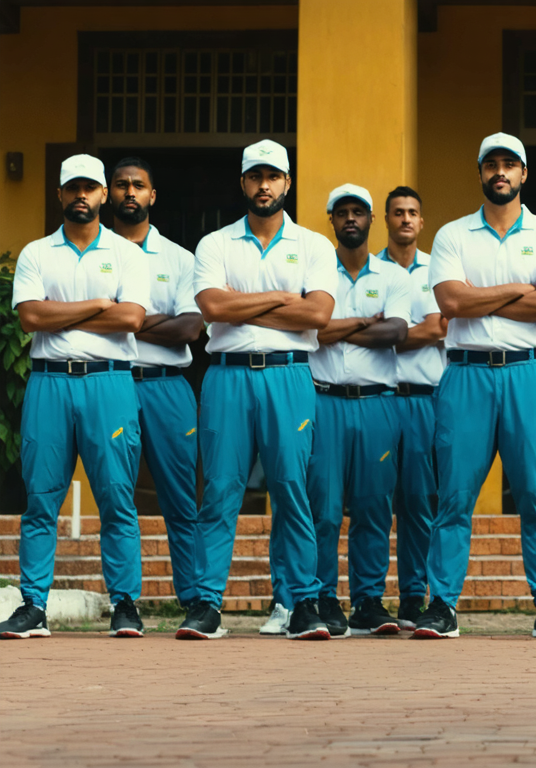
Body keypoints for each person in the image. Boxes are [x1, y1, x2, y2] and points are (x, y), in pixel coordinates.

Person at [418, 133, 536, 640]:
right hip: (466, 373)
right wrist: (517, 289)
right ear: (481, 172)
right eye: (492, 164)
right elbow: (450, 303)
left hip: (530, 372)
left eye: (510, 164)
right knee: (454, 497)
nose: (501, 172)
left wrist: (480, 297)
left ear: (524, 174)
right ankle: (441, 605)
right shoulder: (452, 235)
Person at [187, 139, 337, 641]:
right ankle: (207, 605)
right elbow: (212, 307)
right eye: (256, 176)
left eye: (274, 176)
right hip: (227, 374)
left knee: (293, 492)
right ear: (244, 183)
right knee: (221, 491)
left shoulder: (314, 245)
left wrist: (243, 302)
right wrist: (279, 298)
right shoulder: (216, 244)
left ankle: (301, 604)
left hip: (290, 375)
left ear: (287, 183)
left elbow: (317, 313)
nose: (265, 185)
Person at [0, 155, 150, 640]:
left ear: (104, 194)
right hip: (49, 382)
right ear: (60, 194)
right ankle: (33, 606)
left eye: (90, 187)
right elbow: (30, 319)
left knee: (116, 497)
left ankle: (124, 604)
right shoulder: (37, 252)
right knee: (41, 499)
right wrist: (96, 305)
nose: (81, 195)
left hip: (109, 381)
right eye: (72, 188)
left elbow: (130, 319)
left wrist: (60, 313)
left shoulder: (127, 254)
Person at [307, 184, 412, 637]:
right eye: (342, 212)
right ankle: (324, 597)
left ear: (372, 220)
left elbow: (396, 333)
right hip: (323, 400)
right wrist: (363, 323)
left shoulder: (394, 278)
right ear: (330, 219)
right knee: (324, 509)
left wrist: (336, 329)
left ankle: (369, 601)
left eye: (359, 212)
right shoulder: (315, 273)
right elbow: (311, 330)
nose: (351, 219)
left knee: (373, 507)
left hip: (377, 404)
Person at [107, 157, 205, 616]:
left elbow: (189, 329)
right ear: (109, 193)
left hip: (169, 387)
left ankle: (196, 599)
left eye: (139, 186)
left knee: (182, 498)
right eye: (122, 185)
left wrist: (119, 320)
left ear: (152, 196)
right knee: (116, 494)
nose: (130, 192)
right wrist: (150, 323)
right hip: (113, 383)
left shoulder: (180, 259)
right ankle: (124, 601)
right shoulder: (97, 253)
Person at [376, 185, 446, 630]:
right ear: (386, 219)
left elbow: (441, 326)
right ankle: (369, 598)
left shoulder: (436, 271)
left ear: (422, 222)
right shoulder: (370, 270)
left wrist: (385, 332)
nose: (405, 219)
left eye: (413, 213)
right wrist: (405, 329)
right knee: (375, 502)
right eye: (398, 212)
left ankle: (413, 598)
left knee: (420, 503)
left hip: (424, 398)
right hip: (379, 399)